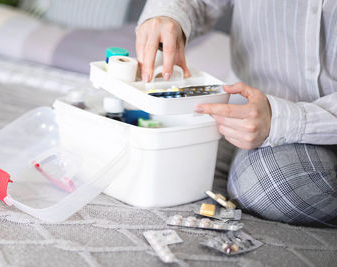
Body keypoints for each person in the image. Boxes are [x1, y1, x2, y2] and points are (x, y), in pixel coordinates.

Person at [136, 0, 337, 227]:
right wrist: (167, 15)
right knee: (161, 164)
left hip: (320, 126)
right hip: (244, 111)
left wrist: (281, 121)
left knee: (268, 186)